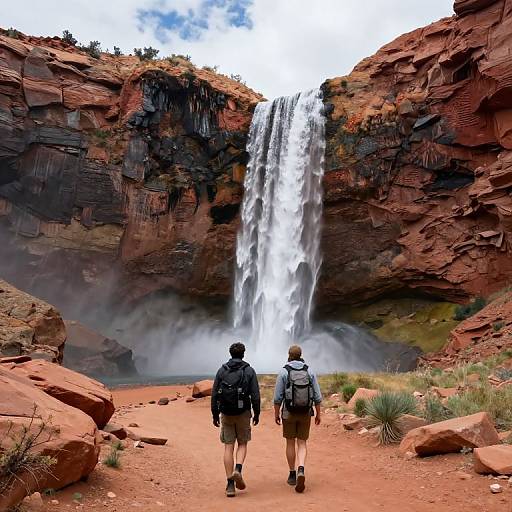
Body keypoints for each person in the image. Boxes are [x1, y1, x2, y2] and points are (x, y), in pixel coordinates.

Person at [211, 342, 261, 498]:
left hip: (226, 413)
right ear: (243, 354)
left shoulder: (222, 371)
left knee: (228, 447)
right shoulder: (249, 371)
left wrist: (214, 414)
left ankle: (230, 485)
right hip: (243, 412)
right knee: (243, 443)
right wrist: (257, 413)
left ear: (230, 354)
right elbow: (256, 395)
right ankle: (238, 469)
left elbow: (214, 394)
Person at [273, 344, 322, 493]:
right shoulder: (310, 371)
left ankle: (292, 474)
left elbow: (277, 397)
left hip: (288, 413)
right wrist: (318, 413)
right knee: (302, 443)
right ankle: (301, 468)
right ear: (301, 355)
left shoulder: (283, 372)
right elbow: (317, 396)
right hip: (306, 412)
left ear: (289, 355)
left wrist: (276, 414)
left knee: (290, 442)